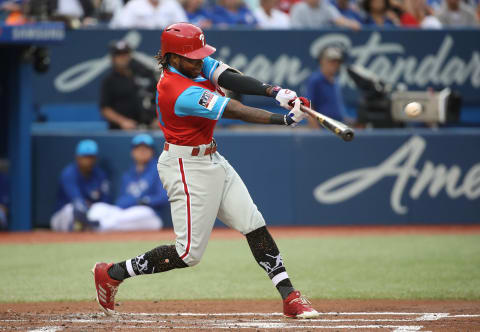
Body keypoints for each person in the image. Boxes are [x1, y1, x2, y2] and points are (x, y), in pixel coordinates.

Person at [92, 22, 319, 319]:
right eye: (192, 57)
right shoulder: (176, 89)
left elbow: (229, 78)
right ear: (172, 57)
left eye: (201, 55)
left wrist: (276, 92)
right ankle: (112, 273)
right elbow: (233, 109)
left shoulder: (193, 64)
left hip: (212, 158)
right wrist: (284, 120)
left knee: (253, 223)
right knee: (188, 255)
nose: (200, 61)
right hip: (186, 167)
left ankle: (290, 296)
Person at [86, 134, 167, 232]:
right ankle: (98, 224)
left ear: (152, 151)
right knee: (98, 207)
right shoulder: (128, 175)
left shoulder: (159, 169)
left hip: (150, 215)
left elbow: (163, 197)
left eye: (146, 149)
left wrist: (145, 201)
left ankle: (99, 225)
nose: (142, 151)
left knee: (138, 212)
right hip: (125, 213)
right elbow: (120, 201)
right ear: (132, 152)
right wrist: (135, 201)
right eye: (138, 148)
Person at [50, 140, 110, 232]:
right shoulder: (68, 173)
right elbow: (77, 201)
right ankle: (79, 227)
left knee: (102, 210)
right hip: (62, 216)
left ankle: (86, 227)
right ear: (77, 157)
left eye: (91, 157)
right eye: (85, 157)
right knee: (71, 209)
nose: (88, 161)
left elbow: (105, 202)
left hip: (90, 214)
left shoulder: (100, 174)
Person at [100, 40, 158, 130]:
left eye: (125, 53)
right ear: (113, 58)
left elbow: (159, 98)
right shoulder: (109, 81)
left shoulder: (144, 74)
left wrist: (159, 119)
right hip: (121, 131)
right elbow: (105, 108)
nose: (123, 57)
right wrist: (122, 121)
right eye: (119, 54)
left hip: (149, 128)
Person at [306, 46, 349, 126]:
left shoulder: (335, 81)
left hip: (339, 127)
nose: (335, 65)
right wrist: (316, 131)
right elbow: (308, 107)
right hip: (324, 129)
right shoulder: (315, 80)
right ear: (322, 61)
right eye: (332, 62)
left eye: (337, 62)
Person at [109, 0, 187, 29]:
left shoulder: (172, 4)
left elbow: (184, 25)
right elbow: (122, 26)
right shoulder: (134, 4)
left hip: (168, 43)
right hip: (140, 43)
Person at [290, 0, 361, 29]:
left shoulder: (326, 7)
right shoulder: (298, 8)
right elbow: (295, 30)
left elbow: (339, 19)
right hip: (303, 42)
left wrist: (350, 23)